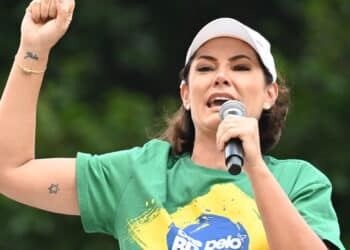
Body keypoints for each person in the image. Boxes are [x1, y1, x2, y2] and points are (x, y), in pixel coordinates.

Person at [0, 0, 345, 249]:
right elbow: (9, 171)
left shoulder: (299, 183)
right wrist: (33, 49)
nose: (221, 77)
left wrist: (254, 168)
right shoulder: (140, 175)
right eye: (206, 68)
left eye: (240, 67)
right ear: (186, 94)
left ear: (270, 94)